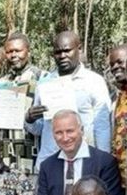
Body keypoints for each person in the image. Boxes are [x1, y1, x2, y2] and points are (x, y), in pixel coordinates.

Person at [26, 31, 112, 169]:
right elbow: (39, 129)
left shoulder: (95, 82)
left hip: (84, 161)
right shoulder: (45, 84)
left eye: (67, 51)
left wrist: (103, 161)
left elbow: (102, 126)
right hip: (50, 162)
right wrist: (30, 119)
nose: (62, 56)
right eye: (58, 52)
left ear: (79, 49)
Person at [0, 32, 44, 174]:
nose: (13, 55)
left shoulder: (41, 77)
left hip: (34, 148)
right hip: (7, 152)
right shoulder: (1, 83)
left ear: (28, 52)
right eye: (9, 52)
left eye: (18, 50)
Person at [108, 44, 127, 191]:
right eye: (112, 64)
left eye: (120, 62)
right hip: (121, 179)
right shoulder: (116, 99)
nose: (115, 67)